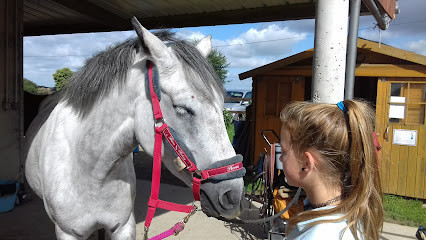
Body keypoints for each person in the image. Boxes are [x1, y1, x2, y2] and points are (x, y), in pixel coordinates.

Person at [279, 100, 383, 240]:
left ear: (306, 162)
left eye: (284, 151)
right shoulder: (348, 216)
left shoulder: (317, 235)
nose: (281, 159)